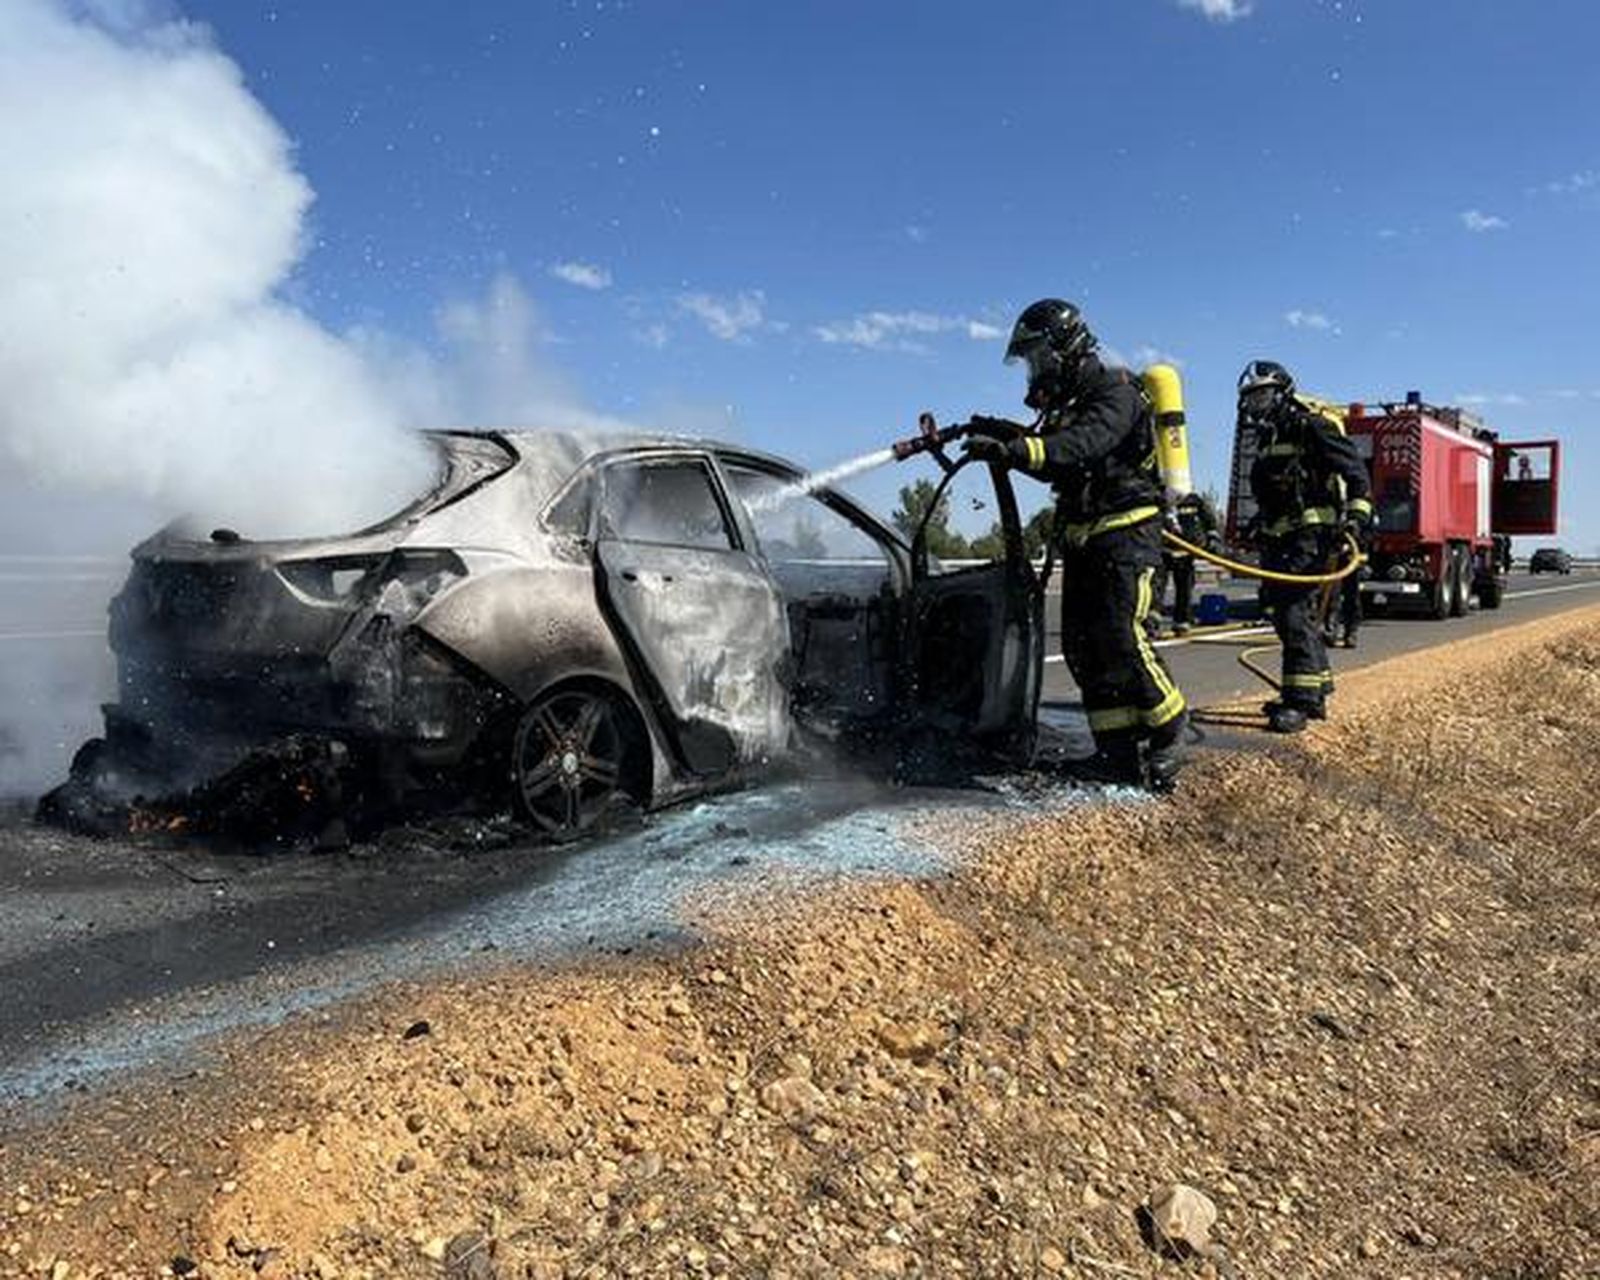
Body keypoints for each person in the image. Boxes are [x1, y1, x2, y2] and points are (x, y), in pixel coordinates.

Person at [962, 299, 1188, 790]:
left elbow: (1082, 445)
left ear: (1065, 348)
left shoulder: (1116, 390)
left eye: (1038, 357)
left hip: (1128, 535)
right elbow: (1057, 448)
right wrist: (997, 433)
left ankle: (1173, 730)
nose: (1034, 369)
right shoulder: (1071, 405)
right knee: (1088, 650)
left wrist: (1017, 451)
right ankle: (1116, 754)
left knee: (1124, 638)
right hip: (1086, 540)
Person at [1238, 360, 1372, 732]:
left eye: (1262, 394)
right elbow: (1274, 492)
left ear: (1282, 393)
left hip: (1311, 538)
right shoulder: (1268, 437)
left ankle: (1302, 702)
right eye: (1251, 398)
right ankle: (1317, 684)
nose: (1256, 404)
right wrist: (1257, 522)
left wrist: (1357, 517)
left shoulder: (1311, 426)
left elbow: (1357, 475)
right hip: (1281, 538)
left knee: (1294, 611)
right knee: (1284, 612)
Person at [1154, 491, 1221, 635]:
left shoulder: (1193, 501)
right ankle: (1152, 620)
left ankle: (1182, 621)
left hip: (1185, 551)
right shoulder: (1156, 497)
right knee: (1156, 586)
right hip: (1163, 550)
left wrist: (1211, 538)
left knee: (1184, 587)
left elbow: (1208, 520)